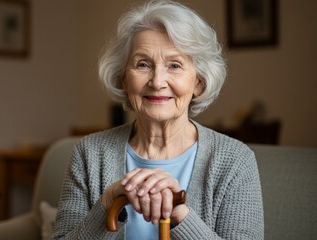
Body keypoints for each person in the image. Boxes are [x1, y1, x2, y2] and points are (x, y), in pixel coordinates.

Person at [52, 0, 264, 239]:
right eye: (143, 64)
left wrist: (181, 215)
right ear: (123, 78)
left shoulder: (235, 160)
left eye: (174, 65)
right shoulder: (89, 153)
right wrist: (107, 203)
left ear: (198, 82)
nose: (157, 81)